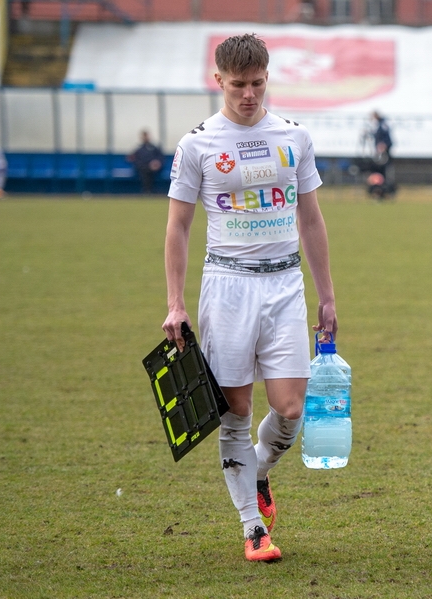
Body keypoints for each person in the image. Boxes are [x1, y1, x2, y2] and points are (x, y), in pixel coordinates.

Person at [162, 34, 337, 563]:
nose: (248, 95)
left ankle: (257, 472)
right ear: (218, 80)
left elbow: (310, 217)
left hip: (285, 284)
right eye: (238, 85)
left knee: (291, 407)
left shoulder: (294, 137)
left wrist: (327, 295)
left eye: (257, 84)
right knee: (234, 411)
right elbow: (178, 228)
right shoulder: (197, 144)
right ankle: (252, 528)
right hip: (227, 286)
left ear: (267, 78)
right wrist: (176, 302)